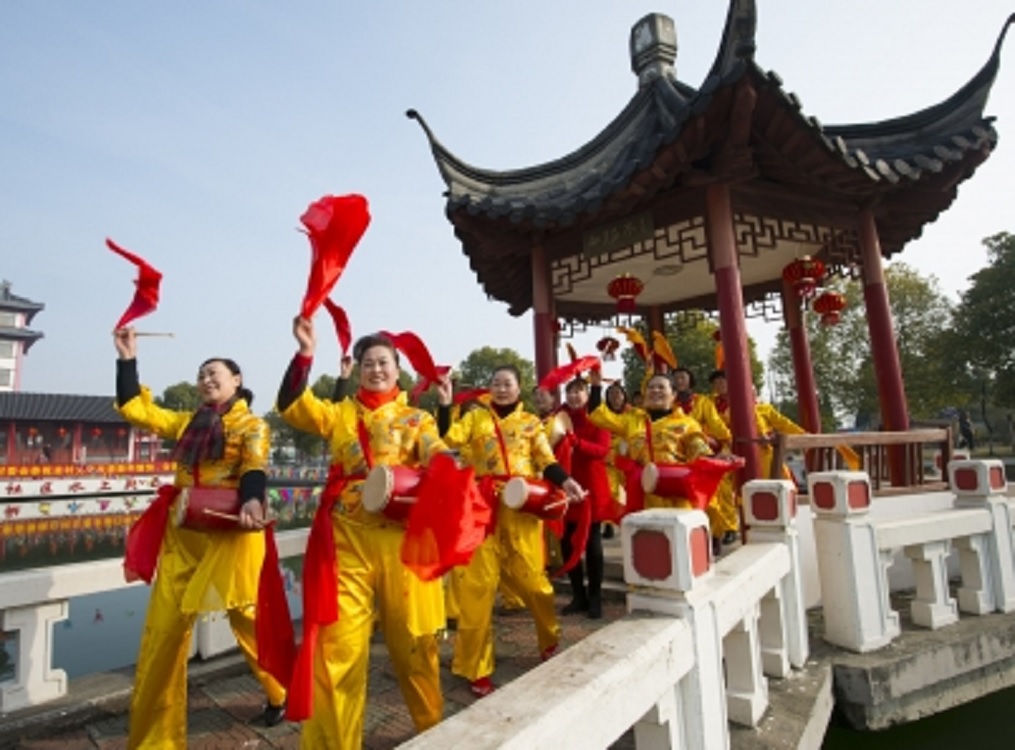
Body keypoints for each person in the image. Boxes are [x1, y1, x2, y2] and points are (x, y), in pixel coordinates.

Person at [277, 317, 449, 749]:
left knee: (415, 648)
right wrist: (304, 353)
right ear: (356, 369)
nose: (376, 369)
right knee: (338, 653)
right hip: (346, 541)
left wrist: (451, 464)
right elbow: (290, 404)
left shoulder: (417, 419)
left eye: (384, 362)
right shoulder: (338, 414)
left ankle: (435, 734)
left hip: (402, 542)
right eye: (369, 362)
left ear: (397, 370)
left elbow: (436, 453)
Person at [113, 327, 286, 749]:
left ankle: (281, 690)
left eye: (215, 374)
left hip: (232, 534)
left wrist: (251, 501)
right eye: (201, 375)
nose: (206, 380)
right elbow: (138, 409)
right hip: (184, 533)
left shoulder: (252, 425)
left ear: (236, 380)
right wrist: (127, 358)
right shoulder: (190, 422)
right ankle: (154, 740)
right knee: (163, 633)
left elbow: (254, 467)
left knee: (247, 621)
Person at [436, 365, 585, 697]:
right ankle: (476, 667)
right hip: (480, 510)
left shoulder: (531, 423)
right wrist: (445, 405)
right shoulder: (475, 419)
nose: (501, 388)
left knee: (534, 585)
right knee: (478, 590)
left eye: (507, 383)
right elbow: (446, 441)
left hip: (521, 510)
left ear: (519, 388)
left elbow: (546, 461)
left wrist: (568, 481)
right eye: (495, 382)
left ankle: (549, 640)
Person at [588, 368, 713, 511]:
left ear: (673, 395)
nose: (655, 391)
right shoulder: (632, 419)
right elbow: (598, 417)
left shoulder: (687, 423)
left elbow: (699, 451)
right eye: (651, 387)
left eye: (661, 387)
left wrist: (714, 458)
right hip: (641, 498)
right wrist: (596, 386)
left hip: (676, 499)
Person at [558, 378, 615, 619]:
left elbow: (602, 451)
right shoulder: (558, 420)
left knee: (592, 545)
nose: (573, 396)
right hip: (565, 488)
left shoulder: (598, 418)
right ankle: (577, 595)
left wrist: (576, 442)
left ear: (586, 394)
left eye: (578, 392)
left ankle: (595, 596)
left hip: (592, 488)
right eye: (569, 392)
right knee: (566, 543)